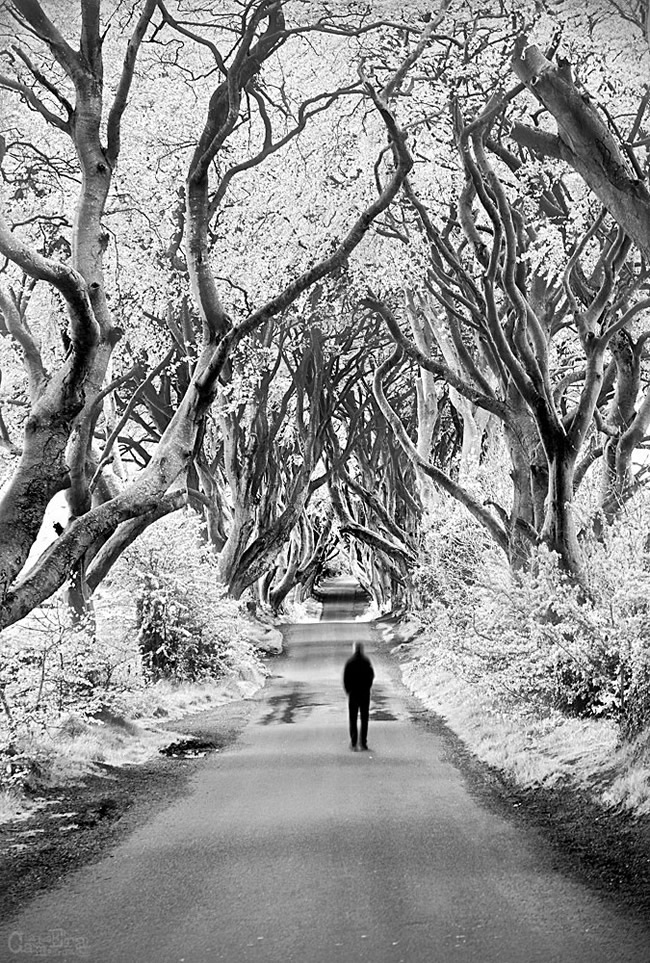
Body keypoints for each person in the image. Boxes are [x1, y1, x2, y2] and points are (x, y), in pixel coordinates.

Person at [343, 641, 374, 751]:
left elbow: (346, 678)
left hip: (353, 693)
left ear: (354, 649)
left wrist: (348, 690)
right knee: (364, 718)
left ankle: (354, 741)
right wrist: (367, 687)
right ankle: (363, 742)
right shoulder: (366, 661)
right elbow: (371, 676)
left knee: (353, 718)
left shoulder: (350, 662)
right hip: (364, 693)